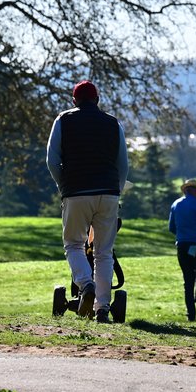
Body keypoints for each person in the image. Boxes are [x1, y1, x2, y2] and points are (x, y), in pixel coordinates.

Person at [46, 80, 128, 323]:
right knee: (104, 252)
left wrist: (64, 186)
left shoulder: (63, 120)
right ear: (97, 100)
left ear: (74, 100)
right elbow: (123, 165)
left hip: (76, 192)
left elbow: (52, 160)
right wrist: (117, 192)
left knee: (73, 245)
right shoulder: (114, 123)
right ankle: (102, 308)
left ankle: (85, 286)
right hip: (109, 192)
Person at [168, 179, 196, 322]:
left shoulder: (176, 204)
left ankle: (191, 315)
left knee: (188, 280)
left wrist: (182, 235)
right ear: (195, 191)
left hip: (182, 245)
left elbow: (171, 227)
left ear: (185, 190)